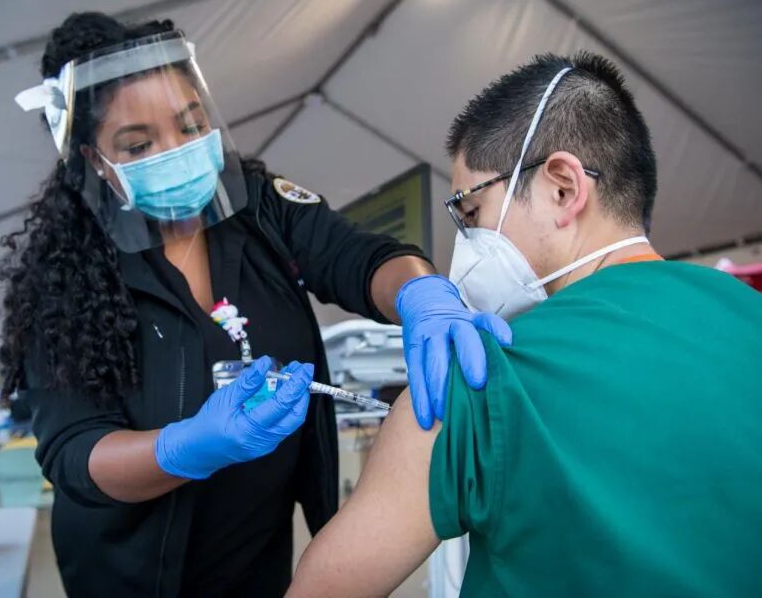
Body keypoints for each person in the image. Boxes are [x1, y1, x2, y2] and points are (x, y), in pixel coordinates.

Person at [0, 12, 507, 596]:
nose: (177, 150)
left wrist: (420, 293)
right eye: (139, 144)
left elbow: (358, 258)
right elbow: (74, 451)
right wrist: (187, 448)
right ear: (95, 159)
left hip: (258, 563)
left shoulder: (259, 209)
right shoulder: (66, 278)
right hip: (135, 578)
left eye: (191, 125)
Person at [289, 52, 762, 597]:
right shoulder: (747, 318)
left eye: (471, 213)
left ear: (563, 187)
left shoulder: (473, 381)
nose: (467, 244)